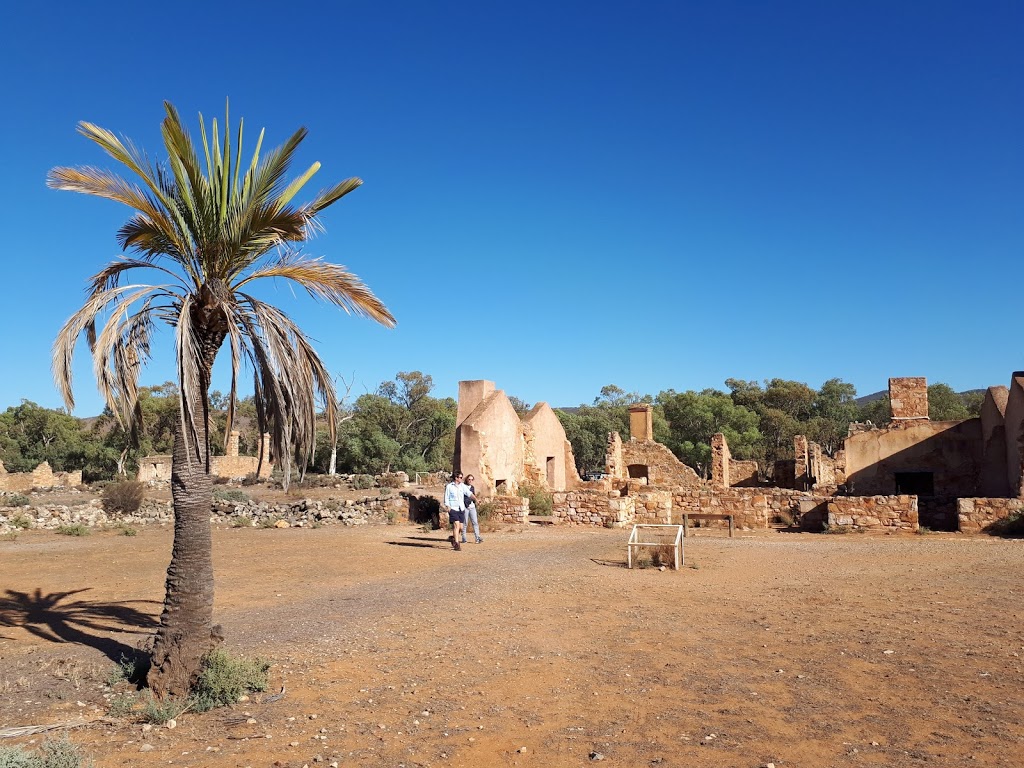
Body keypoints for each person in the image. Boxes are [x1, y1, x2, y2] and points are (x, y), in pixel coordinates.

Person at [443, 472, 467, 551]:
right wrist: (448, 506)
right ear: (456, 478)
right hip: (453, 508)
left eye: (461, 477)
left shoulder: (462, 486)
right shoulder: (449, 486)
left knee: (460, 527)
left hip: (461, 508)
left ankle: (453, 537)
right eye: (460, 477)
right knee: (456, 525)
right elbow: (446, 497)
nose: (461, 479)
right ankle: (457, 544)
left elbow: (468, 493)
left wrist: (476, 499)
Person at [462, 474, 482, 544]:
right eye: (469, 479)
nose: (470, 481)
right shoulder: (463, 487)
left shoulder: (472, 487)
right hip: (465, 506)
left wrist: (476, 501)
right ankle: (464, 538)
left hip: (472, 506)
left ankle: (477, 538)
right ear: (466, 479)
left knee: (475, 522)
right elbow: (464, 497)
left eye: (471, 479)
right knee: (465, 523)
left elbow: (473, 495)